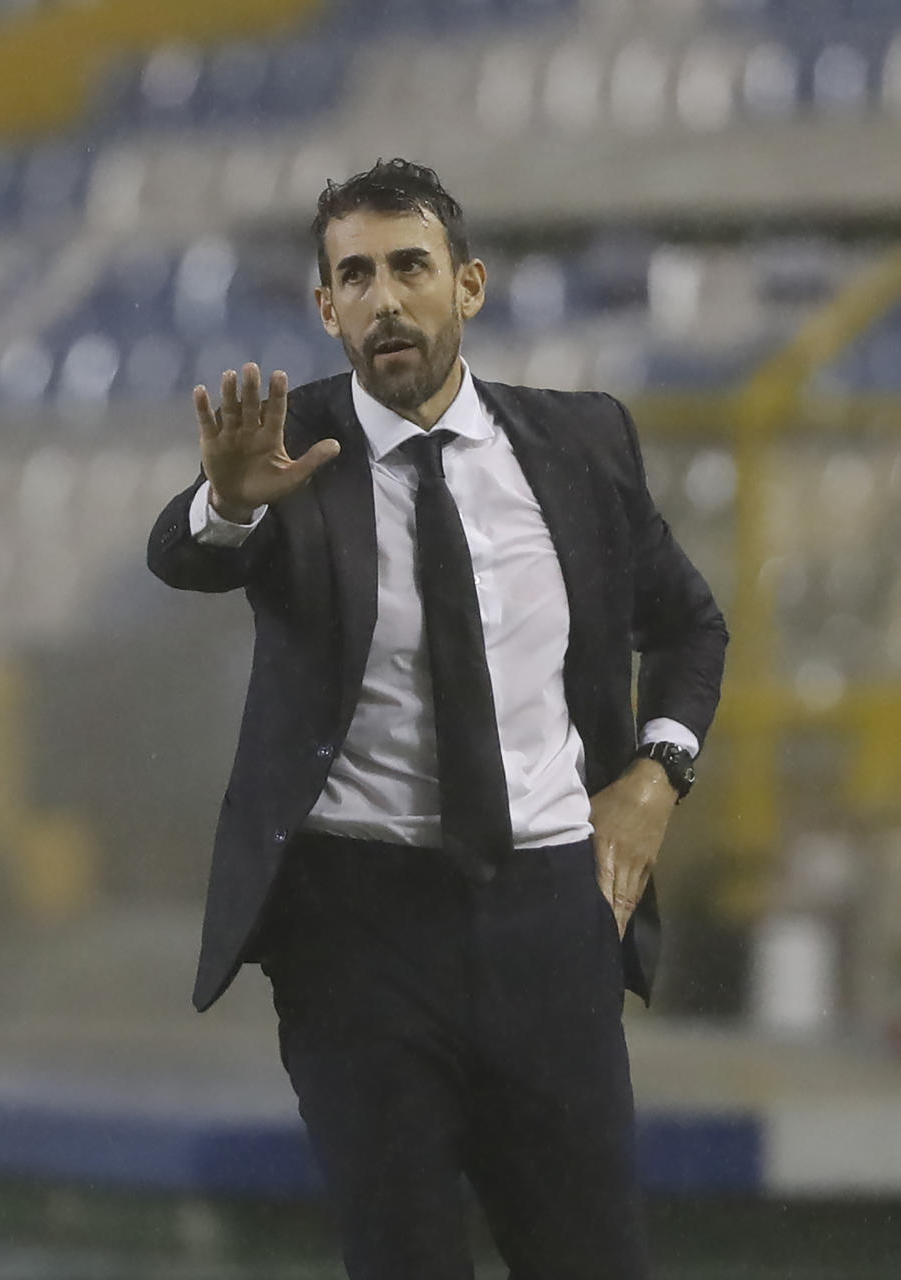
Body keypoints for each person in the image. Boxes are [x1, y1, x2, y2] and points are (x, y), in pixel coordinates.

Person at [146, 160, 728, 1279]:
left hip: (553, 918)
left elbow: (693, 627)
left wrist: (657, 774)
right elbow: (183, 555)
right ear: (326, 308)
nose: (383, 298)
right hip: (357, 931)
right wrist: (223, 501)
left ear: (467, 285)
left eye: (408, 266)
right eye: (353, 275)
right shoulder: (287, 449)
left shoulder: (580, 444)